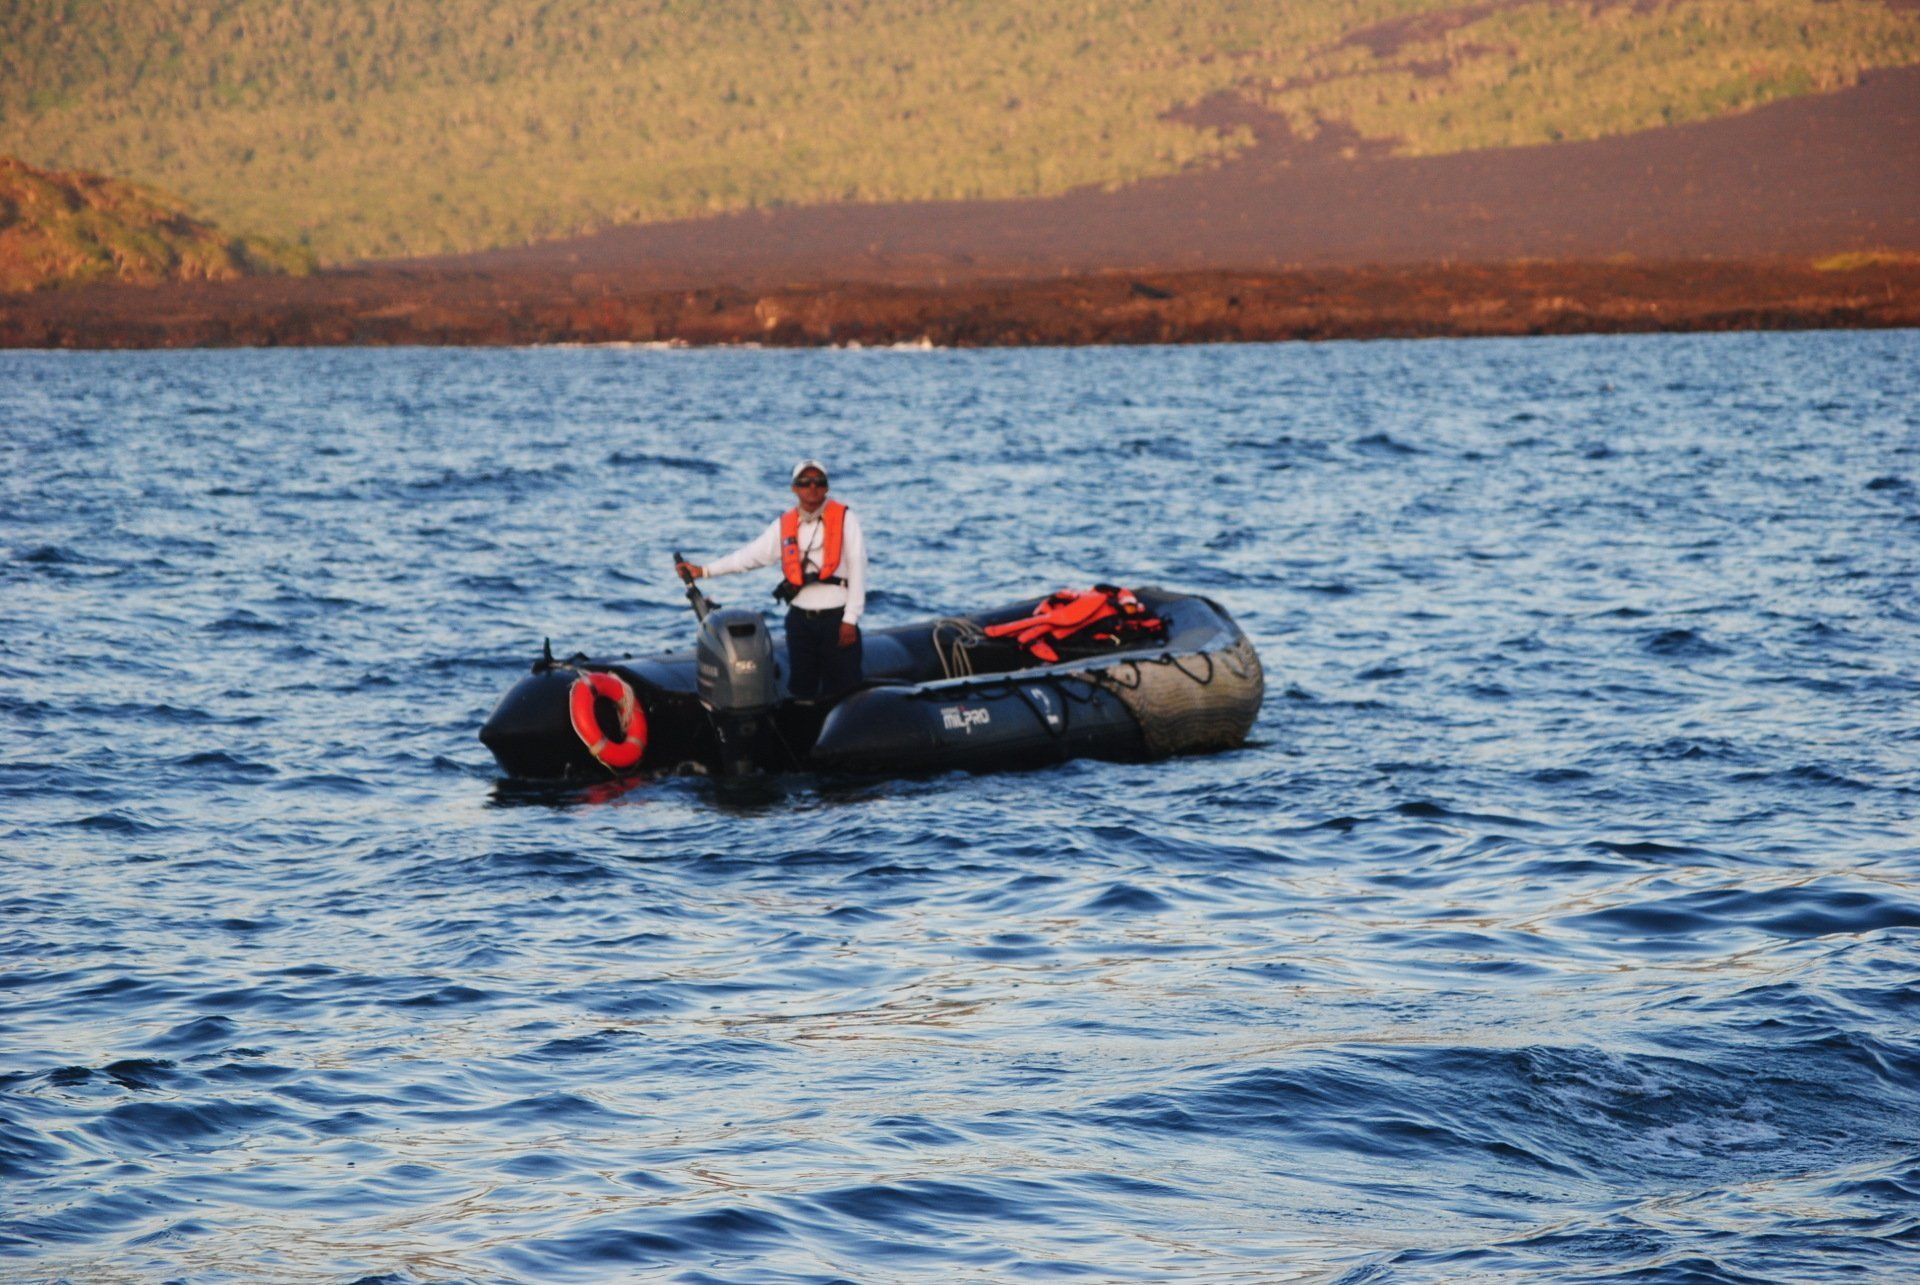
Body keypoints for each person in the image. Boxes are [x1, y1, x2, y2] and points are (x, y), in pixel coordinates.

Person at [677, 459, 867, 700]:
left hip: (836, 619)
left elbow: (858, 567)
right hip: (800, 620)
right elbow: (749, 557)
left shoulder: (846, 519)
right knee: (802, 691)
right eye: (804, 482)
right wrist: (704, 571)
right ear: (794, 488)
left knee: (845, 690)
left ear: (826, 487)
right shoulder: (784, 525)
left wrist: (850, 618)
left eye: (818, 482)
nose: (812, 487)